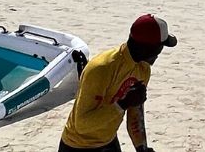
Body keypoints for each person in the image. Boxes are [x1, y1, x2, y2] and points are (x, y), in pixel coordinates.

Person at [59, 14, 178, 152]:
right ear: (147, 47)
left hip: (108, 142)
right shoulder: (100, 69)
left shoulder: (143, 68)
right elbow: (82, 125)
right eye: (161, 46)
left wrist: (142, 148)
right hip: (77, 146)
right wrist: (123, 104)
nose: (160, 52)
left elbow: (135, 115)